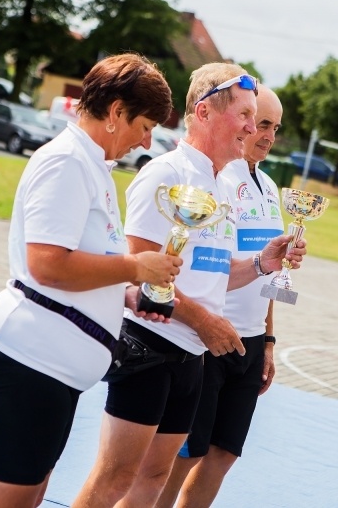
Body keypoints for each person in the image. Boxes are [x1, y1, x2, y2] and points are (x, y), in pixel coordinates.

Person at [72, 63, 306, 508]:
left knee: (155, 479)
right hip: (150, 344)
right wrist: (203, 320)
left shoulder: (219, 183)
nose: (251, 127)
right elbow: (138, 273)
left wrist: (260, 263)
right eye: (244, 115)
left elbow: (214, 272)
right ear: (203, 112)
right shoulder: (167, 174)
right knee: (115, 478)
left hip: (192, 355)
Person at [0, 53, 182, 508]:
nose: (147, 140)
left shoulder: (90, 164)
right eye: (145, 125)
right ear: (117, 112)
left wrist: (125, 293)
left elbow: (77, 262)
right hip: (23, 363)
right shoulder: (66, 162)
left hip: (46, 371)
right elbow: (47, 265)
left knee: (28, 498)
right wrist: (136, 268)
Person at [156, 84, 285, 508]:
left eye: (274, 127)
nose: (266, 134)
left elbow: (269, 273)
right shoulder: (219, 178)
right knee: (183, 455)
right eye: (260, 122)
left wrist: (268, 340)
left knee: (223, 453)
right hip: (212, 335)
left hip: (249, 342)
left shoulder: (268, 186)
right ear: (241, 119)